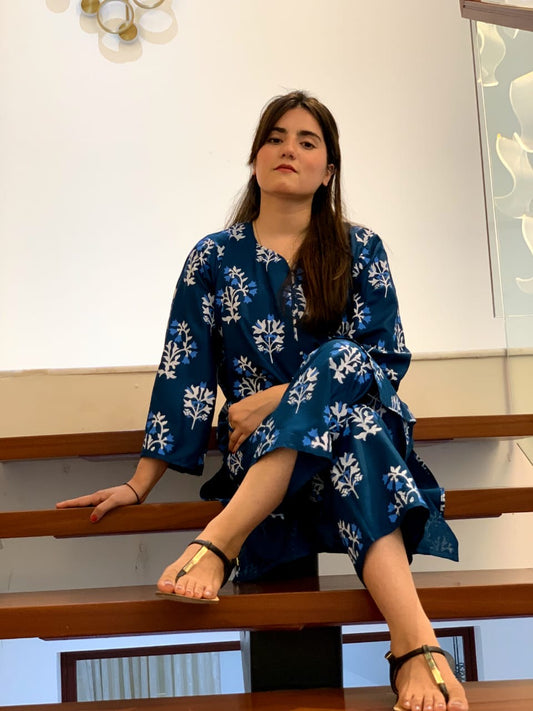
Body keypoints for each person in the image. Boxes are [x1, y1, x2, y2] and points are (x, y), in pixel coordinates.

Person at [57, 91, 468, 711]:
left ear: (328, 171)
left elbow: (382, 360)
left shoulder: (361, 248)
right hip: (268, 464)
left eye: (307, 141)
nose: (288, 149)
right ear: (255, 159)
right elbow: (185, 367)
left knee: (350, 390)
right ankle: (416, 648)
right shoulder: (214, 257)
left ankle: (219, 542)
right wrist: (140, 484)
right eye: (275, 138)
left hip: (351, 449)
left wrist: (273, 398)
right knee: (355, 425)